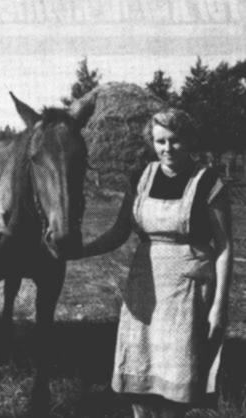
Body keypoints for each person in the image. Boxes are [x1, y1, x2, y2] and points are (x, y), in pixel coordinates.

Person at [82, 108, 233, 418]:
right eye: (160, 141)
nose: (167, 149)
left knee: (175, 383)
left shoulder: (207, 182)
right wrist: (80, 250)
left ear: (189, 141)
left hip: (186, 290)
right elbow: (119, 231)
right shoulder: (142, 177)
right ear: (152, 142)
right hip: (144, 286)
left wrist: (219, 306)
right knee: (139, 373)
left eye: (175, 141)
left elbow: (225, 246)